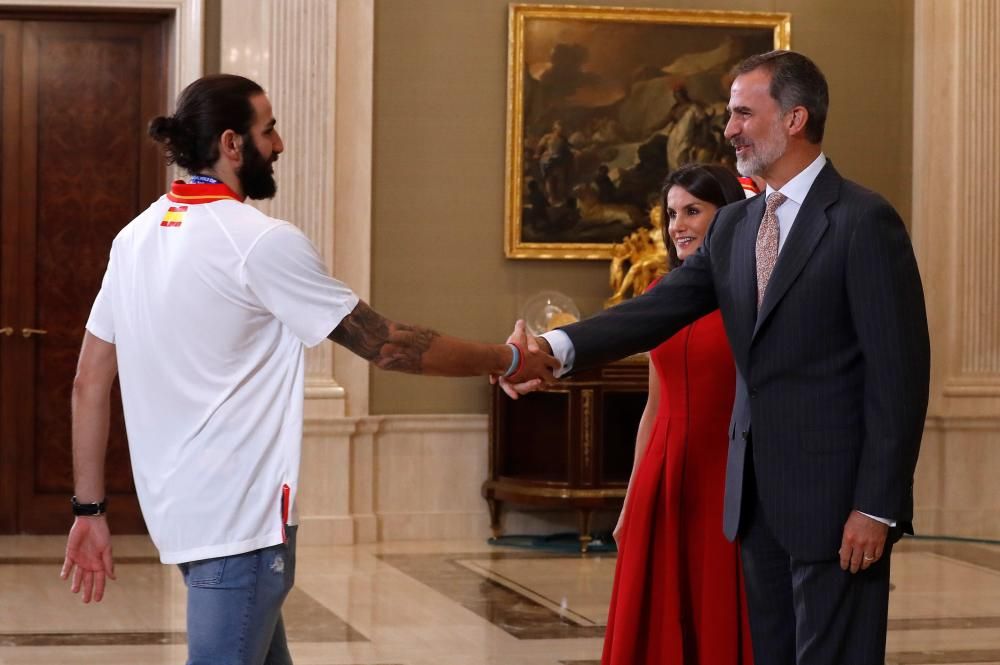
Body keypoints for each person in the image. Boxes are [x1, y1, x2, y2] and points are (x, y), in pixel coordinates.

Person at [60, 74, 557, 665]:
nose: (281, 144)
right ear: (231, 143)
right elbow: (389, 345)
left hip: (186, 521)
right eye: (268, 129)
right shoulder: (260, 243)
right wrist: (509, 359)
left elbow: (89, 381)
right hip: (240, 526)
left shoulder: (133, 239)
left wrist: (88, 510)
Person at [501, 50, 930, 665]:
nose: (727, 129)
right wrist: (553, 347)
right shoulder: (734, 226)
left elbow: (900, 379)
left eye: (742, 113)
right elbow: (656, 310)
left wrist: (876, 506)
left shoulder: (863, 220)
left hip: (838, 510)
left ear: (794, 118)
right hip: (753, 508)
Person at [603, 164, 752, 665]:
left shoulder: (753, 297)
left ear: (728, 215)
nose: (677, 225)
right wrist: (629, 501)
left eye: (693, 211)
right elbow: (654, 406)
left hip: (725, 480)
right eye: (672, 214)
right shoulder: (658, 297)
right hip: (662, 479)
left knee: (718, 615)